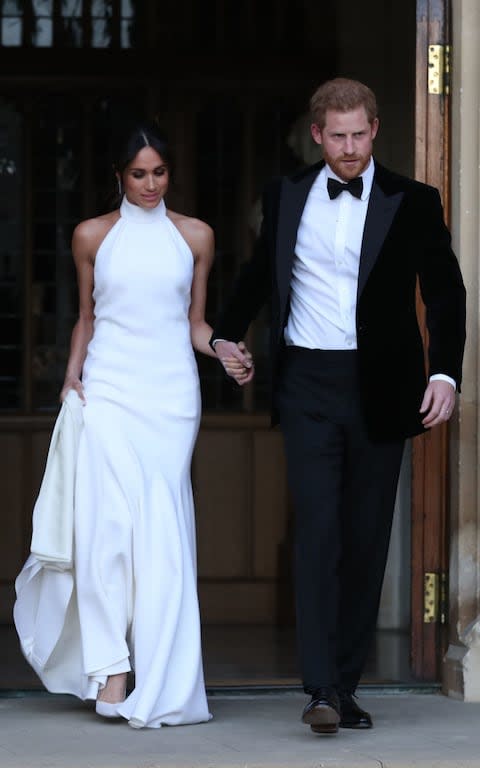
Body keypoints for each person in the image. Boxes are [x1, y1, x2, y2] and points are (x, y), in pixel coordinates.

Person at [211, 78, 466, 735]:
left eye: (360, 134)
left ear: (375, 130)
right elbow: (256, 277)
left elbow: (445, 294)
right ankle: (320, 688)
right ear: (317, 134)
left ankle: (344, 688)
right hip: (307, 385)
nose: (350, 148)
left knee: (364, 539)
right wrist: (224, 335)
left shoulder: (413, 201)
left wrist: (443, 373)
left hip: (382, 387)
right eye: (338, 136)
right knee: (319, 533)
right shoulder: (287, 194)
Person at [14, 120, 249, 728]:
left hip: (171, 398)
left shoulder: (195, 235)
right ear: (119, 176)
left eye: (160, 172)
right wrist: (71, 378)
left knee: (162, 537)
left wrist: (222, 347)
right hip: (110, 391)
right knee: (106, 533)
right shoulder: (92, 235)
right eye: (138, 173)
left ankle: (164, 675)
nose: (150, 184)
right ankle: (112, 670)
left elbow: (194, 322)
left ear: (172, 173)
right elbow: (88, 317)